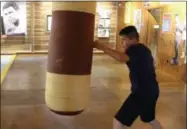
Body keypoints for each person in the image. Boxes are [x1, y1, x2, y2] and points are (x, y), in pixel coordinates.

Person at [113, 26, 163, 129]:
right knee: (149, 119)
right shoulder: (144, 49)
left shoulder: (134, 49)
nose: (122, 43)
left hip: (142, 93)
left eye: (124, 40)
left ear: (132, 39)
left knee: (118, 120)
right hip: (152, 90)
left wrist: (100, 46)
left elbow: (120, 57)